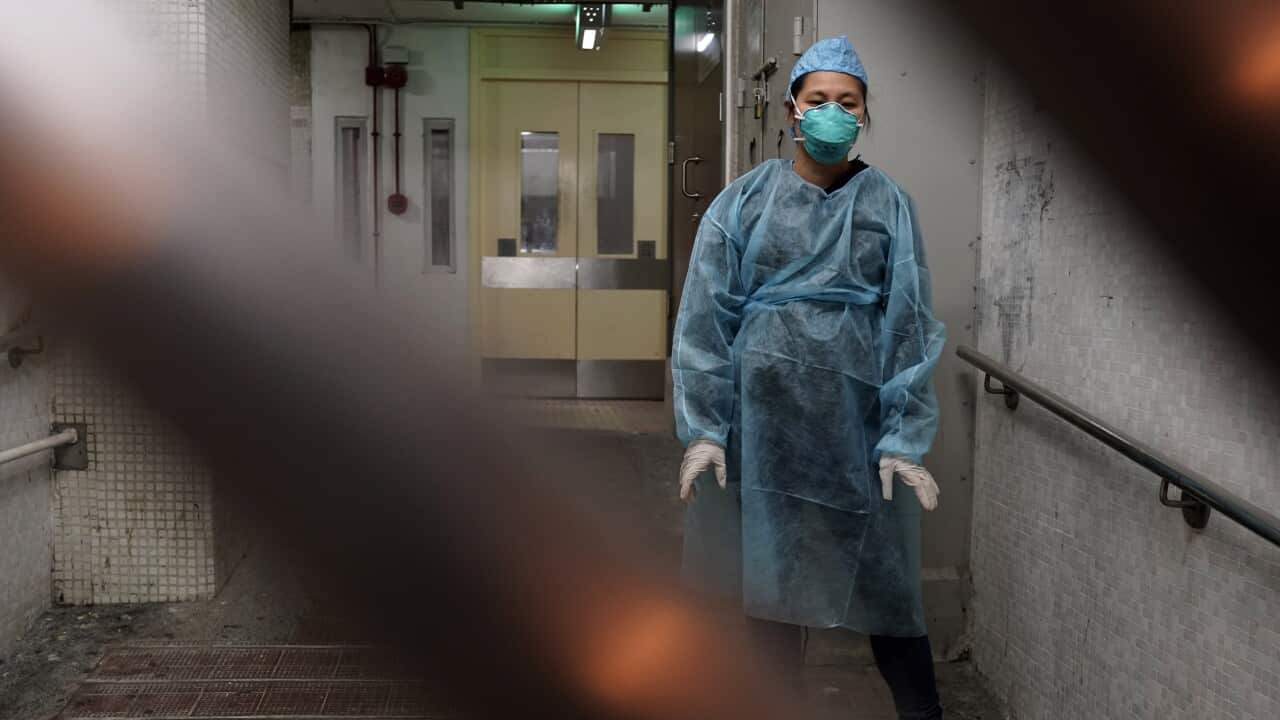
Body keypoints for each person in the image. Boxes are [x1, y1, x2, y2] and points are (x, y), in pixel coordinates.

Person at [671, 35, 947, 719]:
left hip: (855, 425)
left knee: (887, 586)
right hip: (766, 426)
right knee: (771, 580)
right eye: (818, 99)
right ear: (792, 109)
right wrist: (705, 428)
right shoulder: (746, 201)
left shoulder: (888, 204)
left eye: (846, 102)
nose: (831, 111)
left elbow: (907, 320)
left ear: (864, 115)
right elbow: (706, 316)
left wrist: (902, 437)